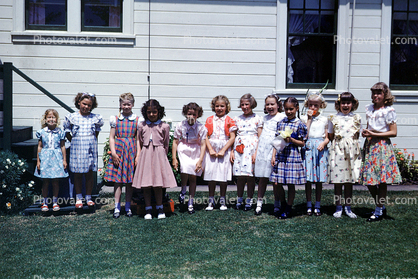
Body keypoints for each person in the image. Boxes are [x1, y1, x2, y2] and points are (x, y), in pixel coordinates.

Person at [360, 82, 402, 222]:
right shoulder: (369, 109)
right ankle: (381, 206)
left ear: (385, 95)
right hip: (370, 145)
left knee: (381, 180)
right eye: (374, 93)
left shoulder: (389, 111)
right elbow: (369, 128)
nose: (376, 96)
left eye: (379, 93)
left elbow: (393, 132)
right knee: (369, 180)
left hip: (382, 146)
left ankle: (378, 210)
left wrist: (374, 133)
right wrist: (366, 133)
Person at [132, 99, 177, 219]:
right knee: (146, 184)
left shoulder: (164, 126)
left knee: (158, 183)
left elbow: (166, 143)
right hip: (145, 154)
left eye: (154, 112)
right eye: (149, 112)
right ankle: (148, 209)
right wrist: (138, 154)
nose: (151, 114)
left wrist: (162, 155)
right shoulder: (142, 125)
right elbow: (139, 141)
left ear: (159, 112)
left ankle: (160, 207)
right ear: (145, 112)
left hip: (159, 155)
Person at [63, 92, 103, 209]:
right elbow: (67, 133)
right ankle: (79, 197)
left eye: (89, 105)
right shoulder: (73, 117)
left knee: (89, 174)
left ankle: (88, 197)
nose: (86, 107)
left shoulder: (95, 118)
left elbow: (96, 132)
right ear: (79, 103)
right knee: (78, 174)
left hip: (90, 148)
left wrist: (90, 141)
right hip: (77, 148)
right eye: (84, 104)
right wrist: (75, 141)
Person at [270, 97, 307, 219]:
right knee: (276, 182)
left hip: (292, 155)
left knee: (291, 184)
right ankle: (283, 203)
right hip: (281, 154)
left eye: (291, 109)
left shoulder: (299, 124)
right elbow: (277, 141)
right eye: (286, 109)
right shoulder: (281, 123)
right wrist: (273, 155)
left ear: (296, 108)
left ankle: (289, 208)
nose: (289, 111)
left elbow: (302, 143)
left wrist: (291, 140)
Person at [104, 93, 140, 218]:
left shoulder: (137, 119)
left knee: (130, 181)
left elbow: (138, 140)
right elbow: (112, 137)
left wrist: (137, 155)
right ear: (120, 104)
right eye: (124, 104)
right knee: (118, 181)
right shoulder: (115, 119)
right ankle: (117, 207)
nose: (126, 107)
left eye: (128, 104)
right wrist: (113, 153)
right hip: (119, 151)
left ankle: (128, 206)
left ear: (133, 105)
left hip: (131, 151)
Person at [328, 92, 362, 218]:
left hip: (352, 151)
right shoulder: (333, 118)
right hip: (338, 150)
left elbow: (358, 134)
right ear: (339, 104)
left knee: (349, 180)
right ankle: (338, 207)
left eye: (348, 103)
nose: (346, 105)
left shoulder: (356, 118)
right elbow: (330, 135)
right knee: (338, 180)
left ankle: (348, 207)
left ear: (353, 104)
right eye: (343, 103)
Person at [172, 102, 207, 214]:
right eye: (189, 114)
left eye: (194, 115)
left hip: (196, 151)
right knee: (184, 169)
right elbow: (175, 141)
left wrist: (200, 160)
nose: (191, 117)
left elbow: (203, 144)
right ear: (185, 114)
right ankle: (183, 189)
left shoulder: (201, 127)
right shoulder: (180, 125)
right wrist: (174, 158)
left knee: (193, 176)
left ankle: (190, 201)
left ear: (198, 115)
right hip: (184, 150)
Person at [204, 95, 237, 211]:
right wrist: (210, 149)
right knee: (211, 176)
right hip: (212, 149)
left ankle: (222, 200)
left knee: (223, 176)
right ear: (214, 107)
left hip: (224, 148)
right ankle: (211, 201)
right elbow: (205, 136)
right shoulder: (209, 119)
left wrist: (224, 150)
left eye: (222, 106)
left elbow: (232, 137)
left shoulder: (230, 120)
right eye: (217, 106)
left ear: (226, 107)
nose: (219, 108)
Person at [253, 94, 284, 215]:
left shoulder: (282, 117)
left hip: (274, 149)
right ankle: (259, 203)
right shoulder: (264, 119)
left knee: (275, 180)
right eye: (268, 104)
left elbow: (281, 136)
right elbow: (259, 137)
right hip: (263, 149)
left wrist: (275, 153)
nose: (270, 106)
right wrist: (256, 152)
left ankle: (277, 203)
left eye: (272, 104)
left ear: (278, 105)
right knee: (262, 178)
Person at [231, 94, 263, 211]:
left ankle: (249, 200)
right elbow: (233, 136)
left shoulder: (257, 118)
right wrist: (231, 151)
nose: (244, 107)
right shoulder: (236, 119)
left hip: (252, 149)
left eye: (247, 104)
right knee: (240, 177)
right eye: (242, 104)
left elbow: (260, 137)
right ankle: (239, 199)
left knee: (250, 176)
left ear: (252, 105)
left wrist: (256, 152)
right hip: (239, 148)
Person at [300, 92, 329, 216]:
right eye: (310, 105)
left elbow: (327, 137)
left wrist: (324, 143)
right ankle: (308, 204)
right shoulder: (303, 118)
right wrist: (309, 119)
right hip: (308, 147)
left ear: (321, 106)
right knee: (308, 179)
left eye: (315, 105)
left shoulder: (325, 119)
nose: (313, 108)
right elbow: (304, 134)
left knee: (318, 179)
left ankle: (317, 204)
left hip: (320, 148)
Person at [35, 109, 68, 212]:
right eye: (49, 117)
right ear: (45, 119)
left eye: (53, 117)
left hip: (57, 158)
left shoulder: (60, 132)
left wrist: (64, 160)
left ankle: (55, 202)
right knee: (45, 181)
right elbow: (39, 147)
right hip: (45, 158)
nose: (51, 119)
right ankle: (44, 202)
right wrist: (38, 161)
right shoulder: (42, 132)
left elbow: (62, 146)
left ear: (57, 119)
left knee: (55, 181)